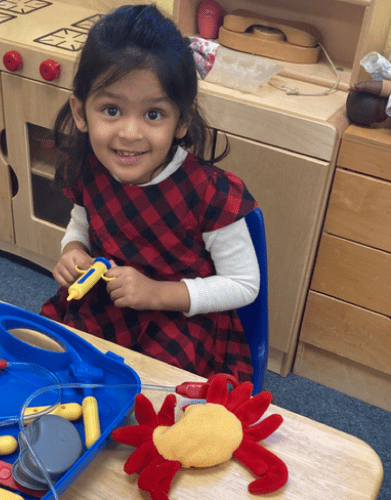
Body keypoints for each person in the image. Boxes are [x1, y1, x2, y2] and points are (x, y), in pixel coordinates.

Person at [41, 4, 260, 382]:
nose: (130, 133)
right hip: (105, 308)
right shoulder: (89, 167)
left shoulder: (209, 193)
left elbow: (243, 285)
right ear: (80, 112)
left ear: (183, 119)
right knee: (54, 369)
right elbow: (82, 219)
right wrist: (73, 248)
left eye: (153, 114)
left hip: (180, 323)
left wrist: (157, 293)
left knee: (155, 401)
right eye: (111, 110)